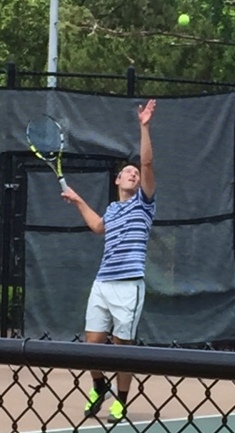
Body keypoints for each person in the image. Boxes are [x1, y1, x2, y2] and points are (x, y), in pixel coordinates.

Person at [61, 99, 156, 423]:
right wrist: (77, 201)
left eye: (134, 173)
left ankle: (122, 399)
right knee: (92, 346)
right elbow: (99, 226)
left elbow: (146, 164)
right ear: (117, 181)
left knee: (122, 346)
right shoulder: (114, 210)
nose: (132, 174)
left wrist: (143, 126)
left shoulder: (144, 204)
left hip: (129, 286)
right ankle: (99, 385)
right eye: (126, 173)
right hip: (102, 283)